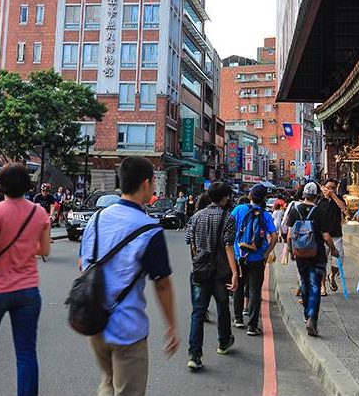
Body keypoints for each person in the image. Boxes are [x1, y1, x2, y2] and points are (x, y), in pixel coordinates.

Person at [79, 156, 177, 396]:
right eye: (153, 183)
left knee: (108, 382)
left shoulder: (97, 218)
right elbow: (162, 284)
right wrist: (171, 326)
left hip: (94, 321)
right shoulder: (149, 229)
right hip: (127, 330)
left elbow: (83, 265)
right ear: (146, 184)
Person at [0, 164, 52, 396]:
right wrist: (23, 248)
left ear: (0, 186)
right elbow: (44, 249)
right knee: (26, 352)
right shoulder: (39, 212)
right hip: (27, 289)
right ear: (27, 186)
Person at [184, 182, 239, 370]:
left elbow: (190, 242)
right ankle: (224, 342)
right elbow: (228, 246)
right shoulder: (228, 218)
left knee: (198, 313)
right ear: (224, 198)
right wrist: (235, 273)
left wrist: (197, 261)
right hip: (221, 273)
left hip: (200, 272)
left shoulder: (196, 216)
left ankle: (194, 355)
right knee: (223, 307)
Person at [285, 182, 338, 336]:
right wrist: (333, 250)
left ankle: (306, 315)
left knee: (304, 283)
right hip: (317, 254)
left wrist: (291, 252)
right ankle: (311, 318)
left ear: (304, 195)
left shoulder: (294, 211)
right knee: (315, 285)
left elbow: (289, 236)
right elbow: (326, 237)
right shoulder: (321, 212)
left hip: (300, 254)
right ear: (316, 196)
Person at [230, 184, 278, 336]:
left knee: (238, 286)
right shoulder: (265, 215)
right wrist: (266, 253)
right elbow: (275, 236)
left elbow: (229, 228)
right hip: (257, 258)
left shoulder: (239, 210)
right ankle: (252, 325)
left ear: (250, 195)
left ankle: (238, 318)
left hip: (239, 257)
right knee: (255, 291)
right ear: (264, 198)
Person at [318, 178, 348, 293]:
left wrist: (334, 196)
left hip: (336, 235)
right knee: (322, 262)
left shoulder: (339, 199)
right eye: (328, 187)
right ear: (323, 187)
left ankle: (332, 276)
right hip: (322, 236)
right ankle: (323, 286)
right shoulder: (319, 201)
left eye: (333, 188)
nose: (330, 190)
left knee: (338, 260)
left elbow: (344, 209)